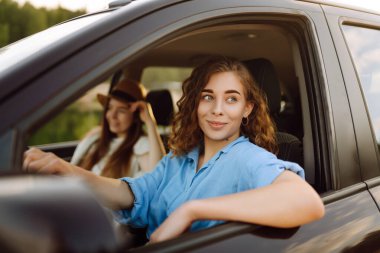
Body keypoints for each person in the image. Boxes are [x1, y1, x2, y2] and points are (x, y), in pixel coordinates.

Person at [24, 57, 324, 243]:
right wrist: (67, 171)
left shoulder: (248, 158)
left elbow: (306, 201)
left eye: (231, 99)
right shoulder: (180, 157)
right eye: (208, 97)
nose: (217, 110)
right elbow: (133, 193)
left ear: (247, 109)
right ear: (195, 103)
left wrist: (192, 211)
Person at [71, 78, 166, 178]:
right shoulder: (96, 137)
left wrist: (150, 122)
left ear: (135, 117)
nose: (112, 115)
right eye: (110, 108)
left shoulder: (140, 144)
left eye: (121, 111)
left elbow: (158, 175)